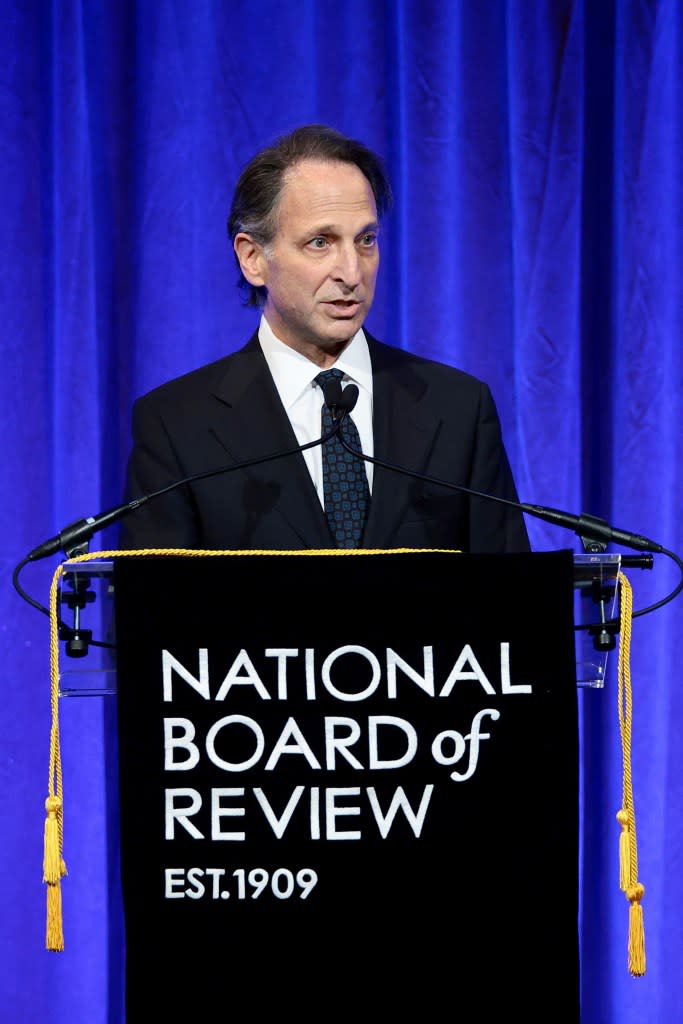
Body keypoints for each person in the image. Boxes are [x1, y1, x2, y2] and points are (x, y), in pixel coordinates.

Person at [119, 124, 529, 553]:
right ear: (253, 258)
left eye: (366, 240)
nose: (352, 273)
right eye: (321, 242)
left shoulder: (458, 410)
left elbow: (512, 605)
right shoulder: (178, 426)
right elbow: (154, 615)